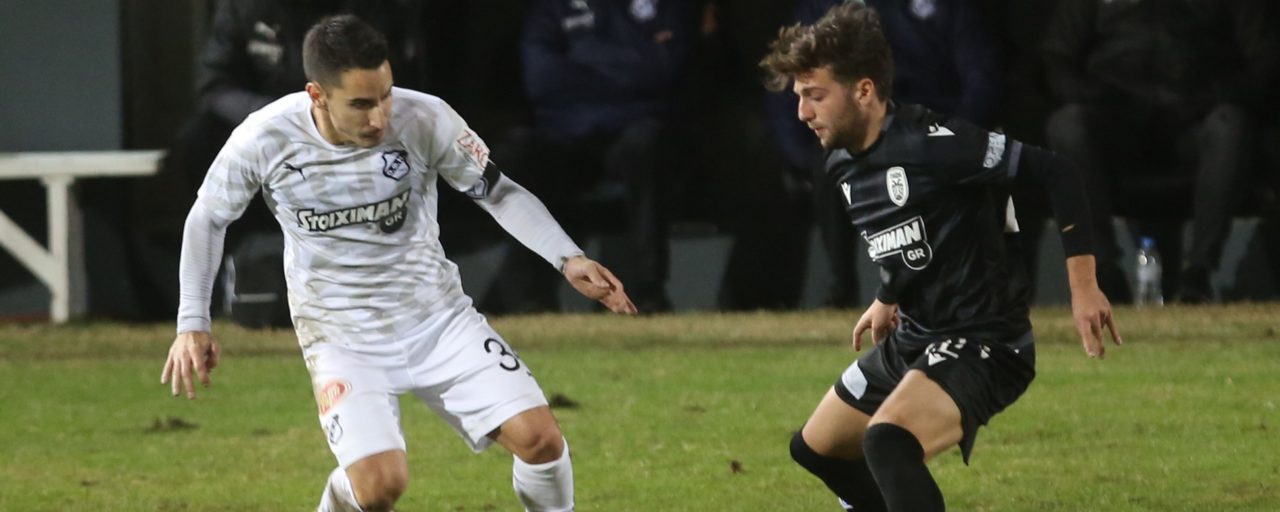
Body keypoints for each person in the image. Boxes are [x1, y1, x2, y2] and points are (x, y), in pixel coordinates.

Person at [160, 15, 635, 512]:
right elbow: (208, 218)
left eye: (385, 95)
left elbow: (497, 192)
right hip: (341, 335)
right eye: (360, 104)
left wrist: (567, 256)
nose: (379, 117)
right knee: (380, 488)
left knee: (541, 441)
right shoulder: (264, 137)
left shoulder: (426, 118)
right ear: (317, 95)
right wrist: (192, 322)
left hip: (438, 318)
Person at [760, 4, 1120, 510]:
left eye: (815, 96)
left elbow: (1057, 172)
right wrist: (888, 295)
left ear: (863, 91)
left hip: (986, 341)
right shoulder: (840, 161)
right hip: (918, 334)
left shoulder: (933, 144)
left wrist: (1083, 288)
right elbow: (908, 234)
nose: (802, 113)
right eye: (799, 97)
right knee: (817, 449)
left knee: (888, 441)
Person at [128, 0, 428, 321]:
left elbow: (393, 81)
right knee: (195, 144)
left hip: (353, 130)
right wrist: (272, 121)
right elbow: (214, 86)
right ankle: (211, 289)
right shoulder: (244, 7)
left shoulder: (369, 10)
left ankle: (388, 281)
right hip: (262, 129)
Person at [769, 0, 1005, 308]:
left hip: (933, 128)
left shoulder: (947, 7)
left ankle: (960, 293)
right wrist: (802, 157)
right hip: (859, 132)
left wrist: (955, 138)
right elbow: (789, 92)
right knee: (829, 159)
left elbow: (981, 77)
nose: (804, 111)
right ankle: (841, 288)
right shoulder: (822, 8)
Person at [1042, 0, 1279, 303]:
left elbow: (1264, 61)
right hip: (1117, 129)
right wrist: (1096, 97)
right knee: (1068, 125)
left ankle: (1198, 275)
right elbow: (1058, 58)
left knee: (1229, 123)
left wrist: (1211, 95)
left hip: (1196, 127)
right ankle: (1104, 270)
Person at [480, 0, 701, 314]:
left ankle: (647, 294)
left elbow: (666, 70)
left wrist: (581, 60)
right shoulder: (552, 8)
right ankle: (532, 298)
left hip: (635, 134)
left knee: (646, 146)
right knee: (523, 152)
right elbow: (542, 80)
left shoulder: (661, 6)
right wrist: (633, 62)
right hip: (566, 138)